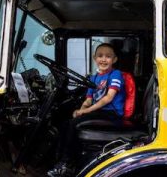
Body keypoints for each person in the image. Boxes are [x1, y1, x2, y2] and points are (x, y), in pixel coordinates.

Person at [47, 43, 126, 177]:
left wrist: (85, 112)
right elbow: (88, 99)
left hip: (112, 114)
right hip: (99, 112)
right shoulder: (93, 78)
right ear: (95, 58)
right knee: (66, 123)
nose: (103, 59)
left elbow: (108, 98)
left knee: (74, 124)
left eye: (108, 56)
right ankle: (60, 160)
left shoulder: (116, 74)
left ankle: (67, 165)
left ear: (114, 60)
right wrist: (80, 110)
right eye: (100, 56)